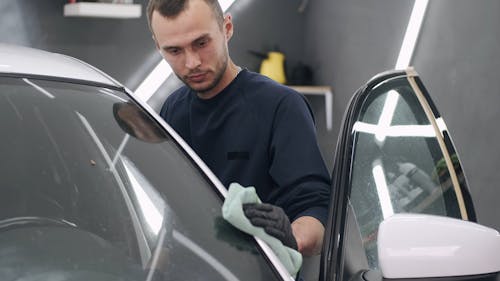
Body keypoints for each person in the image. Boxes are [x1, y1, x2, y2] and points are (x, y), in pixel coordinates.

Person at [146, 0, 331, 256]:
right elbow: (172, 212)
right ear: (158, 47)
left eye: (201, 43)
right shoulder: (171, 112)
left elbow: (316, 211)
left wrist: (291, 236)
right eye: (174, 51)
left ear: (227, 28)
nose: (192, 63)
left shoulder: (281, 106)